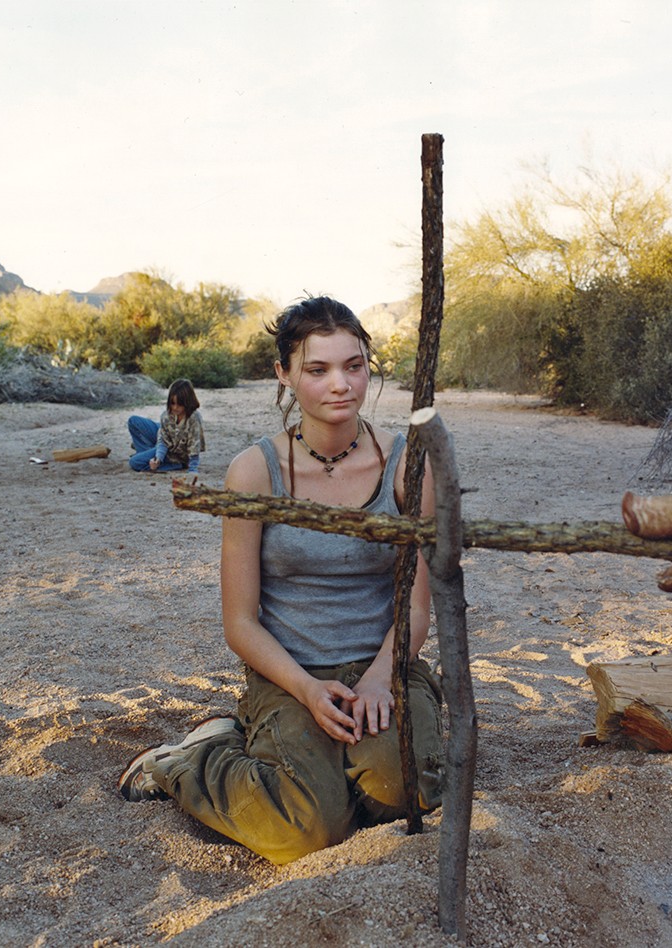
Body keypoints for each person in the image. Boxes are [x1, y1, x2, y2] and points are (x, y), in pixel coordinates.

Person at [117, 297, 443, 865]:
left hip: (384, 664)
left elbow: (416, 605)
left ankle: (339, 761)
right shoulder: (255, 470)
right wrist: (307, 690)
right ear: (285, 375)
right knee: (305, 832)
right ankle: (189, 761)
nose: (340, 384)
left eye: (354, 365)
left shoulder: (407, 466)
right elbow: (240, 621)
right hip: (291, 673)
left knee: (408, 794)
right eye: (317, 370)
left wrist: (376, 682)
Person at [128, 379, 205, 473]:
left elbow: (194, 445)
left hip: (175, 453)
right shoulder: (166, 415)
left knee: (135, 462)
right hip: (166, 440)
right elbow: (163, 439)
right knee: (133, 421)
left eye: (179, 404)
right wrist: (158, 458)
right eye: (172, 403)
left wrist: (193, 469)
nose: (175, 407)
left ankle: (175, 465)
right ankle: (149, 455)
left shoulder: (194, 418)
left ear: (187, 402)